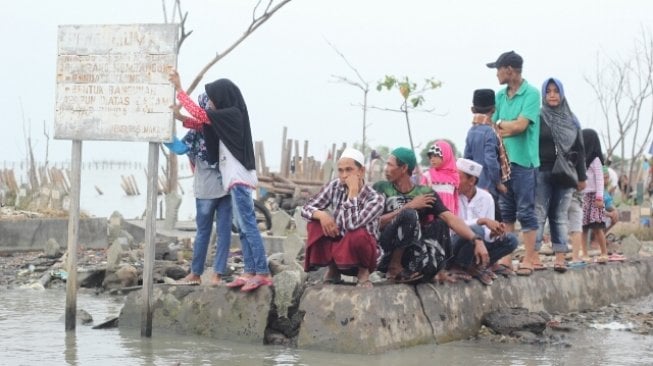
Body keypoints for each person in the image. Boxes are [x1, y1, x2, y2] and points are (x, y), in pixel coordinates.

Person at [169, 70, 272, 292]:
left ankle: (262, 272)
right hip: (233, 181)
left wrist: (179, 90)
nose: (211, 105)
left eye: (213, 100)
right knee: (243, 227)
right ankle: (249, 271)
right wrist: (180, 119)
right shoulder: (227, 118)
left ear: (223, 97)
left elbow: (202, 116)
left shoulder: (233, 114)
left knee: (248, 225)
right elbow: (202, 124)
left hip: (239, 179)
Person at [373, 147, 482, 284]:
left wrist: (476, 239)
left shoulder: (424, 193)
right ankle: (394, 268)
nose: (385, 168)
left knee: (440, 223)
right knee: (409, 214)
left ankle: (433, 269)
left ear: (404, 168)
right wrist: (408, 207)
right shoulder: (381, 188)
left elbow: (451, 219)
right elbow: (373, 223)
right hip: (386, 248)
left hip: (412, 254)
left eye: (390, 165)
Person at [167, 93, 233, 286]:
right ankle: (217, 275)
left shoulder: (201, 128)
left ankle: (196, 273)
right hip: (227, 186)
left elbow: (179, 148)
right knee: (223, 231)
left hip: (206, 188)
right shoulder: (225, 125)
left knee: (204, 231)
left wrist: (162, 134)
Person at [486, 50, 541, 276]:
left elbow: (521, 126)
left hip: (525, 162)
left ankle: (529, 258)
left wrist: (502, 127)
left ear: (509, 69)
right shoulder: (500, 95)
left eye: (498, 69)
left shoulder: (531, 93)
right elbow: (490, 122)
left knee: (526, 211)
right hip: (503, 162)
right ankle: (507, 259)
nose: (496, 74)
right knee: (506, 212)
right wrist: (507, 126)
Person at [301, 147, 385, 288]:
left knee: (358, 233)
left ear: (361, 171)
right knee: (314, 224)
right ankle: (333, 270)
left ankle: (363, 274)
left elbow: (352, 225)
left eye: (349, 170)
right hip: (340, 249)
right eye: (340, 170)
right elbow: (305, 209)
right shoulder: (335, 186)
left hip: (363, 256)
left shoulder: (375, 199)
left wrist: (353, 192)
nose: (344, 175)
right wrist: (322, 215)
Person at [534, 78, 587, 273]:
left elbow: (579, 149)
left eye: (556, 91)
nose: (552, 95)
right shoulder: (538, 117)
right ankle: (533, 257)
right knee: (538, 213)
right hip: (541, 171)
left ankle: (560, 257)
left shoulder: (571, 119)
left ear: (562, 93)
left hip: (565, 174)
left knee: (559, 215)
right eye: (548, 91)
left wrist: (582, 177)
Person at [451, 158, 518, 285]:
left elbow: (486, 234)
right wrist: (481, 221)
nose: (454, 181)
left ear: (471, 181)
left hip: (479, 245)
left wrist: (494, 233)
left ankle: (477, 266)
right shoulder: (451, 195)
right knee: (476, 229)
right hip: (455, 245)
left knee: (511, 239)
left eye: (458, 177)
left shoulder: (486, 198)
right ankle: (461, 266)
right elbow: (452, 226)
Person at [464, 88, 510, 221]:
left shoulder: (471, 131)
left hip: (476, 185)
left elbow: (467, 159)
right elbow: (491, 161)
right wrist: (498, 183)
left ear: (473, 109)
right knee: (494, 222)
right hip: (489, 186)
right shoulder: (490, 132)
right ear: (494, 109)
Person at [581, 129, 608, 264]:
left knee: (597, 226)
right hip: (584, 197)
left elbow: (600, 180)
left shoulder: (596, 160)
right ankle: (584, 253)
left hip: (594, 197)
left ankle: (604, 252)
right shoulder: (581, 159)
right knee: (583, 227)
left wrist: (599, 197)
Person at [420, 140, 460, 215]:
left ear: (446, 155)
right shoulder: (427, 175)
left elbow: (455, 200)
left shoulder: (454, 176)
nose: (432, 159)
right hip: (432, 217)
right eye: (430, 156)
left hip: (449, 218)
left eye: (435, 156)